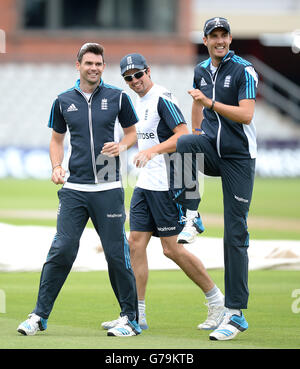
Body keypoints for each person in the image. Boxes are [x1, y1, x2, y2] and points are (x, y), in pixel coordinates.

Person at [17, 43, 142, 337]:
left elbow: (132, 132)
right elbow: (57, 140)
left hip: (109, 187)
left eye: (99, 64)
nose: (94, 68)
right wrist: (56, 166)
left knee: (116, 254)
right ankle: (39, 316)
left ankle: (130, 319)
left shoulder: (118, 97)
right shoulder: (62, 101)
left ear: (103, 66)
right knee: (61, 249)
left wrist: (122, 146)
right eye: (89, 63)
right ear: (78, 65)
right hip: (74, 188)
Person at [101, 53, 225, 332]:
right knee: (134, 244)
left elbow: (183, 134)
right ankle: (135, 314)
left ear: (148, 71)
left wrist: (152, 151)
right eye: (128, 78)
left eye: (138, 75)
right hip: (146, 184)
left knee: (171, 249)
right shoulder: (137, 101)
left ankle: (218, 301)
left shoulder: (162, 96)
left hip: (168, 184)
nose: (134, 81)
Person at [175, 17, 258, 341]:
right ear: (206, 40)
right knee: (184, 143)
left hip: (239, 158)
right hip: (212, 150)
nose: (220, 41)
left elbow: (246, 114)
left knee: (235, 233)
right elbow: (197, 105)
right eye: (214, 36)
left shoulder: (243, 70)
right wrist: (197, 131)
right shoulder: (201, 70)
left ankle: (235, 313)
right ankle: (192, 217)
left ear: (230, 38)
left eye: (224, 35)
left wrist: (210, 103)